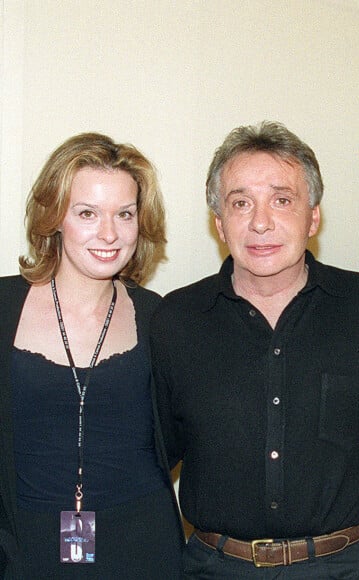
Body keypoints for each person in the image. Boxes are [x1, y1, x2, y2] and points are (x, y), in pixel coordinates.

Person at [150, 121, 359, 579]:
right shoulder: (177, 319)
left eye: (282, 200)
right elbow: (149, 459)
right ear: (219, 223)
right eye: (241, 203)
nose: (260, 222)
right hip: (215, 567)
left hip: (342, 567)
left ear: (313, 216)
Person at [0, 133, 184, 579]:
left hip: (144, 548)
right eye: (87, 213)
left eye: (124, 214)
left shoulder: (160, 318)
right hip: (25, 551)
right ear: (54, 217)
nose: (109, 233)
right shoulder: (4, 307)